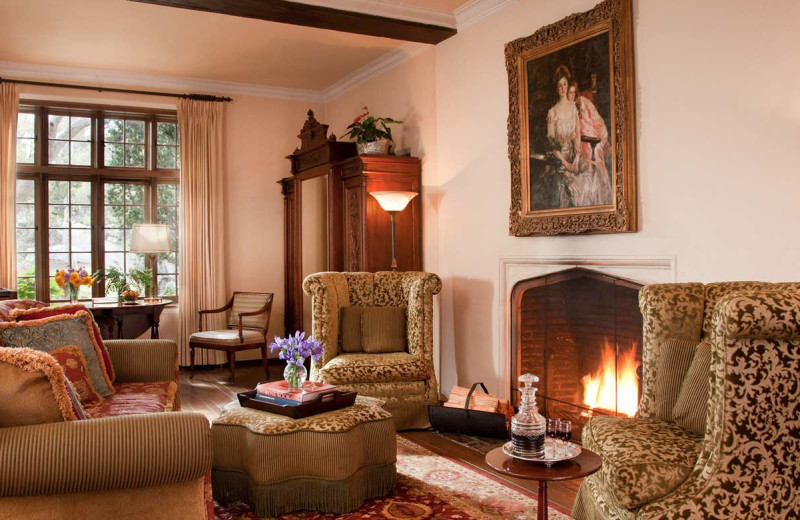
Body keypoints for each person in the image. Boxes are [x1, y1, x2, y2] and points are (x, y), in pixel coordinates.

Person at [568, 80, 612, 197]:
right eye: (568, 93)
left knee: (595, 153)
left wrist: (602, 139)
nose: (571, 96)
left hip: (590, 139)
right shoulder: (563, 108)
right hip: (574, 142)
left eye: (573, 93)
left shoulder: (584, 103)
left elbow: (598, 122)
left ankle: (598, 194)